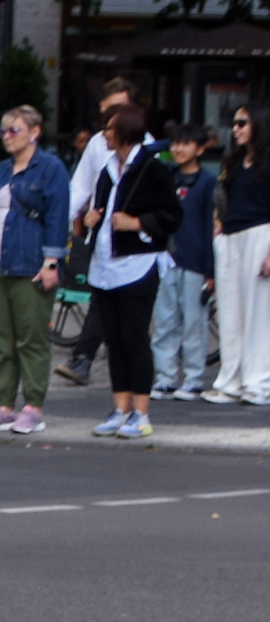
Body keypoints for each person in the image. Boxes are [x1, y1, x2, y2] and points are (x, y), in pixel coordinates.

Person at [0, 105, 71, 436]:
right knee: (1, 338)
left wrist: (52, 262)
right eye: (3, 131)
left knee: (31, 337)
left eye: (14, 130)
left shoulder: (50, 169)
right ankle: (4, 406)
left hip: (30, 263)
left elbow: (57, 216)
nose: (7, 137)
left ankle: (33, 407)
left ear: (35, 132)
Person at [80, 102, 181, 438]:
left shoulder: (151, 168)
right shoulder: (108, 167)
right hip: (105, 263)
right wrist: (91, 219)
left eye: (108, 128)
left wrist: (137, 223)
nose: (103, 135)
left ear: (123, 131)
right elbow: (103, 207)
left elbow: (172, 215)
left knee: (135, 337)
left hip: (138, 264)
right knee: (114, 339)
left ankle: (141, 411)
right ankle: (119, 407)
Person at [56, 79, 140, 386]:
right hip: (101, 236)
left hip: (134, 241)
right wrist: (59, 226)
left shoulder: (146, 145)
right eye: (111, 110)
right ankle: (86, 359)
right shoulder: (96, 145)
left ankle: (89, 359)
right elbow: (78, 189)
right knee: (103, 298)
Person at [208, 104, 270, 405]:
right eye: (234, 123)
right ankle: (230, 381)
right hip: (231, 237)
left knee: (258, 314)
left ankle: (258, 383)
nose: (236, 128)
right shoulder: (232, 162)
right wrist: (218, 224)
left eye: (243, 122)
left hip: (261, 234)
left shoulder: (267, 162)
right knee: (230, 311)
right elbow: (221, 198)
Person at [152, 124, 216, 401]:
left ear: (201, 149)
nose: (178, 149)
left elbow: (210, 229)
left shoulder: (208, 182)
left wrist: (210, 271)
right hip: (166, 258)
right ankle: (165, 377)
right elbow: (147, 154)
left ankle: (193, 378)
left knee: (194, 322)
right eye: (175, 143)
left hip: (196, 262)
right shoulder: (167, 176)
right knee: (164, 320)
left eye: (186, 144)